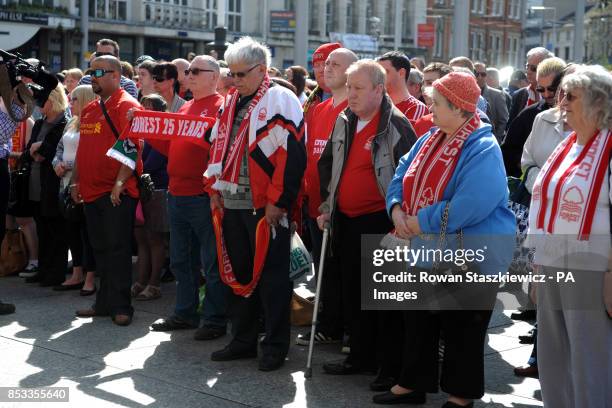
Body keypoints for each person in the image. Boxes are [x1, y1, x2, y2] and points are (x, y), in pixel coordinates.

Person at [378, 71, 515, 408]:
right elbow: (401, 172)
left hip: (469, 251)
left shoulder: (483, 146)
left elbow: (472, 202)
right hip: (425, 247)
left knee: (462, 325)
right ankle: (413, 382)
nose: (430, 109)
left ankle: (461, 393)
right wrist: (396, 209)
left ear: (458, 108)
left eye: (436, 104)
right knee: (418, 318)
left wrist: (417, 221)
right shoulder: (431, 137)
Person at [205, 36, 306, 371]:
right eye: (230, 73)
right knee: (240, 278)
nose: (233, 79)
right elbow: (219, 148)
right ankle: (243, 340)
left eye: (240, 73)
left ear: (262, 70)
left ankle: (275, 346)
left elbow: (291, 157)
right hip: (232, 203)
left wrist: (279, 202)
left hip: (265, 207)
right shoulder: (230, 101)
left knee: (274, 281)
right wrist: (215, 189)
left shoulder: (281, 99)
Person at [318, 60, 415, 376]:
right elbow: (328, 164)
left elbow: (408, 180)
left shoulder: (396, 126)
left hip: (379, 220)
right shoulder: (344, 119)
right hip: (345, 219)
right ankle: (358, 356)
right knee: (352, 294)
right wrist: (327, 205)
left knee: (382, 300)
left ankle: (387, 366)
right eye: (349, 87)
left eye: (358, 88)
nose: (351, 94)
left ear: (378, 89)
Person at [527, 65, 612, 408]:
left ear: (597, 103)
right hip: (551, 262)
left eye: (571, 96)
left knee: (589, 356)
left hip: (592, 269)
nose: (561, 102)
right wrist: (534, 265)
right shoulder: (567, 145)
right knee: (553, 353)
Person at [148, 55, 226, 339]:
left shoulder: (222, 108)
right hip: (177, 193)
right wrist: (145, 127)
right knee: (181, 260)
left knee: (211, 262)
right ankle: (185, 313)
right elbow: (172, 148)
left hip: (202, 196)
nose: (189, 75)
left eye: (196, 71)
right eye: (188, 71)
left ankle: (214, 319)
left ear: (214, 77)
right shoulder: (186, 107)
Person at [512, 63, 576, 380]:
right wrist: (544, 181)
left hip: (579, 226)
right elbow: (526, 163)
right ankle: (540, 357)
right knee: (545, 294)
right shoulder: (541, 120)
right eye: (548, 92)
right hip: (545, 217)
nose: (553, 98)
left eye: (560, 92)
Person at [72, 55, 142, 326]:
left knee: (118, 250)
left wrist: (120, 182)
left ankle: (121, 306)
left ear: (116, 75)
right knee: (100, 250)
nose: (93, 76)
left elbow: (134, 146)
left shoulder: (127, 105)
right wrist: (76, 182)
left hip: (116, 193)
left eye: (99, 71)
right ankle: (103, 303)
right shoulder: (91, 108)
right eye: (91, 71)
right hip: (90, 192)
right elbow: (83, 150)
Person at [295, 47, 357, 347]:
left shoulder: (354, 111)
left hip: (341, 207)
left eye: (335, 64)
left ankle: (349, 329)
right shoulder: (317, 108)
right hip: (314, 204)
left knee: (344, 270)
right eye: (324, 64)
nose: (326, 69)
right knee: (324, 272)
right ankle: (328, 324)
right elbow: (310, 155)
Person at [21, 84, 69, 287]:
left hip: (52, 184)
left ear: (54, 100)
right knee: (41, 227)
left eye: (43, 100)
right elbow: (27, 150)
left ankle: (56, 272)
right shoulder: (40, 124)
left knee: (55, 230)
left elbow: (57, 152)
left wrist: (41, 148)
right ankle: (43, 269)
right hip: (35, 182)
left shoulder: (63, 124)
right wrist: (34, 150)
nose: (39, 104)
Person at [52, 85, 98, 295]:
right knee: (72, 231)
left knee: (88, 233)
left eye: (75, 99)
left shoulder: (95, 123)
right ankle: (77, 273)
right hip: (65, 183)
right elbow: (59, 149)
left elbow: (93, 153)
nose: (71, 104)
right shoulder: (71, 122)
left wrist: (73, 168)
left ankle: (90, 277)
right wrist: (57, 165)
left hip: (85, 185)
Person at [501, 57, 566, 177]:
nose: (546, 94)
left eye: (552, 89)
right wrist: (525, 166)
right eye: (541, 89)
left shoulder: (581, 116)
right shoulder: (529, 115)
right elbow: (508, 151)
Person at [132, 94, 169, 301]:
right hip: (140, 190)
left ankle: (154, 284)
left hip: (156, 190)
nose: (143, 110)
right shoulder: (140, 132)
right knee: (141, 240)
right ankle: (140, 281)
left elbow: (150, 164)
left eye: (149, 107)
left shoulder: (161, 131)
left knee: (155, 239)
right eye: (142, 106)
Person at [377, 51, 428, 126]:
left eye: (385, 72)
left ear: (401, 73)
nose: (379, 77)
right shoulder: (375, 104)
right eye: (378, 72)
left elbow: (406, 137)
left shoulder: (416, 107)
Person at [508, 47, 554, 127]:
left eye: (533, 68)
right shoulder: (519, 95)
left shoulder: (554, 95)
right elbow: (511, 126)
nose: (528, 71)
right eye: (527, 66)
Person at [474, 62, 508, 142]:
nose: (479, 77)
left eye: (483, 74)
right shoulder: (466, 93)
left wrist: (496, 138)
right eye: (476, 74)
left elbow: (503, 120)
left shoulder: (497, 95)